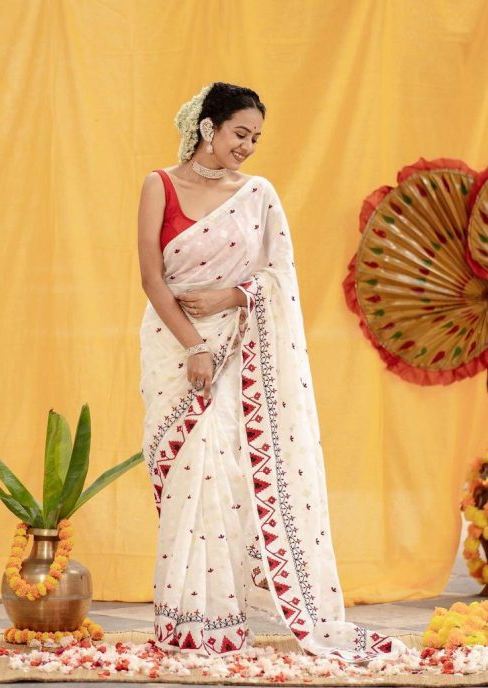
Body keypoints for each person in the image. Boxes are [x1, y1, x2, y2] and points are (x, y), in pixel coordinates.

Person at [137, 81, 409, 662]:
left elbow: (280, 277)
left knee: (228, 473)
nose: (249, 147)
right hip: (174, 346)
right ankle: (184, 623)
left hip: (240, 350)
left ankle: (224, 623)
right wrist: (193, 347)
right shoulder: (158, 185)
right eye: (241, 133)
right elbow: (152, 279)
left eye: (256, 137)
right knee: (188, 470)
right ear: (208, 127)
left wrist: (234, 296)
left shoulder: (258, 194)